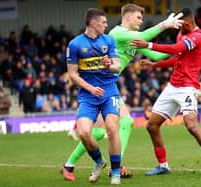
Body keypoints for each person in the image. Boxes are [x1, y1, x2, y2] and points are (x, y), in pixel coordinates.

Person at [62, 3, 184, 181]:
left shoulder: (132, 40)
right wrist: (165, 25)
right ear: (127, 17)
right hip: (99, 85)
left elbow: (155, 55)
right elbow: (143, 36)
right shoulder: (117, 33)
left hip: (108, 85)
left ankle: (73, 166)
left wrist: (180, 49)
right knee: (107, 128)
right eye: (138, 17)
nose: (141, 21)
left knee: (118, 124)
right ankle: (105, 166)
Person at [131, 7, 201, 176]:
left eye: (181, 25)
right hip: (172, 86)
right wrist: (156, 65)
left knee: (191, 125)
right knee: (152, 126)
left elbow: (176, 48)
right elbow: (178, 58)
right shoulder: (182, 33)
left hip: (188, 88)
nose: (178, 28)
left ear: (188, 23)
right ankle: (163, 166)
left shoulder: (198, 37)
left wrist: (149, 45)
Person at [64, 8, 122, 185]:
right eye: (104, 22)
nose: (106, 25)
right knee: (83, 132)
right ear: (94, 23)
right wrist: (91, 88)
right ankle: (99, 162)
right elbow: (72, 75)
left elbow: (117, 66)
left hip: (109, 91)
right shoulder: (75, 44)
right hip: (88, 95)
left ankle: (116, 172)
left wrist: (108, 65)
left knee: (112, 128)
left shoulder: (109, 40)